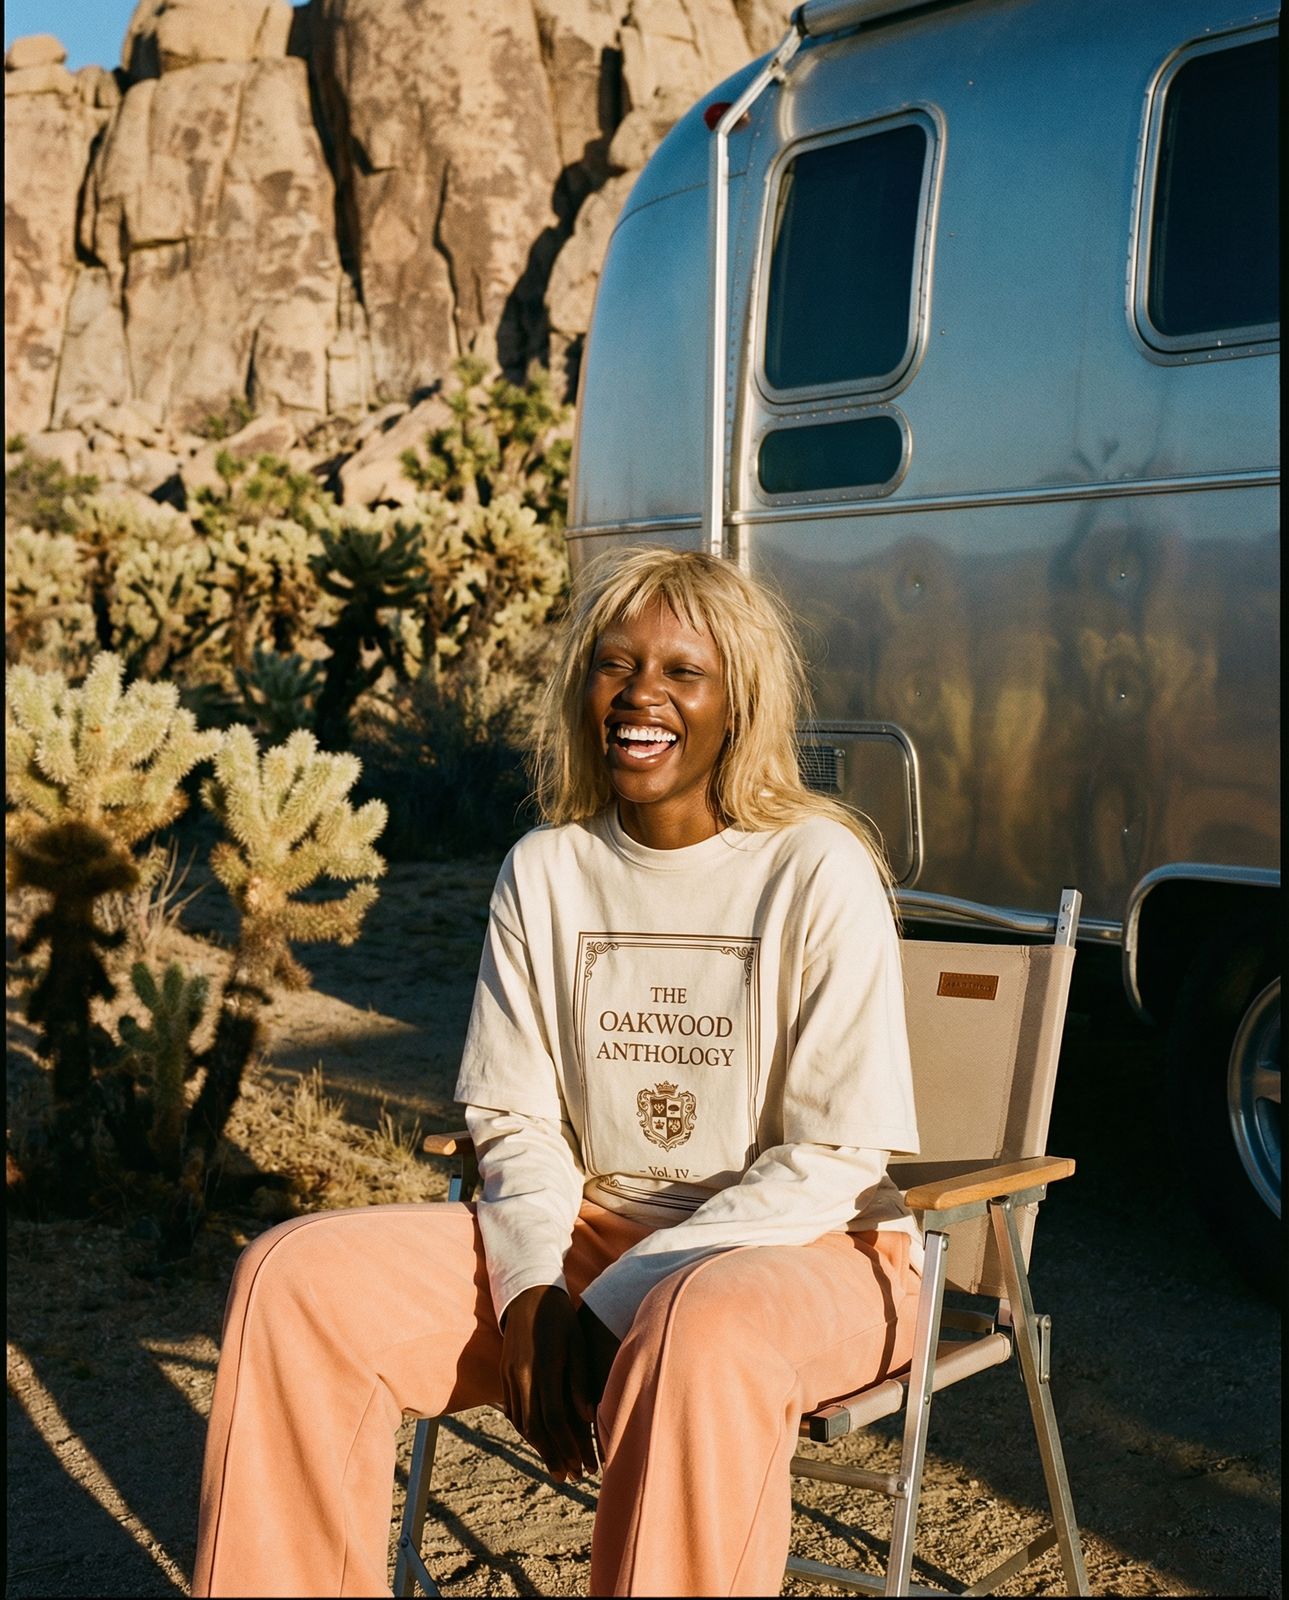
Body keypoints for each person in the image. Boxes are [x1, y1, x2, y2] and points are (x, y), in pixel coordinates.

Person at [192, 547, 923, 1598]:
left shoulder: (813, 868)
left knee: (694, 1326)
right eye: (615, 663)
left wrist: (618, 1296)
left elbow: (829, 1162)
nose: (640, 694)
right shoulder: (544, 868)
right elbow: (518, 1120)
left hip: (804, 1253)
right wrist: (534, 1287)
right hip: (587, 1239)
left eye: (683, 671)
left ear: (739, 703)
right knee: (292, 1279)